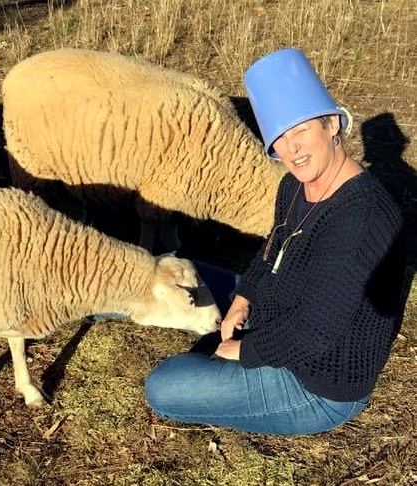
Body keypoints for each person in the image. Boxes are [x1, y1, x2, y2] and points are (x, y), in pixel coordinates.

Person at [144, 47, 407, 435]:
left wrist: (243, 350)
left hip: (315, 383)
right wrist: (243, 298)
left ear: (332, 125)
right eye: (280, 138)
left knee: (163, 386)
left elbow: (316, 331)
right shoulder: (293, 187)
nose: (292, 148)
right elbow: (272, 252)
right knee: (180, 272)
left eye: (300, 130)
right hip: (276, 312)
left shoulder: (363, 217)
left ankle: (214, 358)